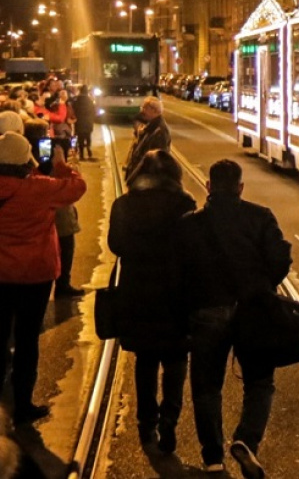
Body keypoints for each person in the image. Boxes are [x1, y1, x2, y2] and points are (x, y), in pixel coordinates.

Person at [177, 159, 292, 477]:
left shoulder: (190, 224)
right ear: (240, 188)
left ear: (209, 186)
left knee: (206, 387)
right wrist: (261, 285)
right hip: (252, 311)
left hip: (207, 311)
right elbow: (281, 257)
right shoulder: (260, 217)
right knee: (259, 382)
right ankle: (246, 441)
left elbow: (180, 270)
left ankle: (213, 459)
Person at [109, 150, 198, 454]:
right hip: (176, 294)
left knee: (145, 361)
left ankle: (146, 423)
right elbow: (192, 248)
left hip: (138, 293)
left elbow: (115, 245)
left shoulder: (124, 203)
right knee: (175, 359)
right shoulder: (184, 204)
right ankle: (169, 419)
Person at [0, 134, 86, 423]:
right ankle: (23, 405)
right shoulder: (40, 189)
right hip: (34, 275)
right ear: (26, 159)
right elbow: (77, 187)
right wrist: (61, 165)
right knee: (27, 339)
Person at [124, 96, 171, 182]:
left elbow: (158, 160)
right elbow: (136, 118)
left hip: (145, 178)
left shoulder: (160, 131)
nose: (142, 111)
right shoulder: (150, 125)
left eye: (145, 108)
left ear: (154, 111)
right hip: (140, 175)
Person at [69, 86, 97, 161]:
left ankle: (81, 155)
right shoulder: (90, 101)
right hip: (88, 122)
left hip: (79, 122)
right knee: (88, 137)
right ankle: (88, 149)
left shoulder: (76, 100)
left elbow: (73, 110)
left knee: (80, 138)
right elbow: (94, 111)